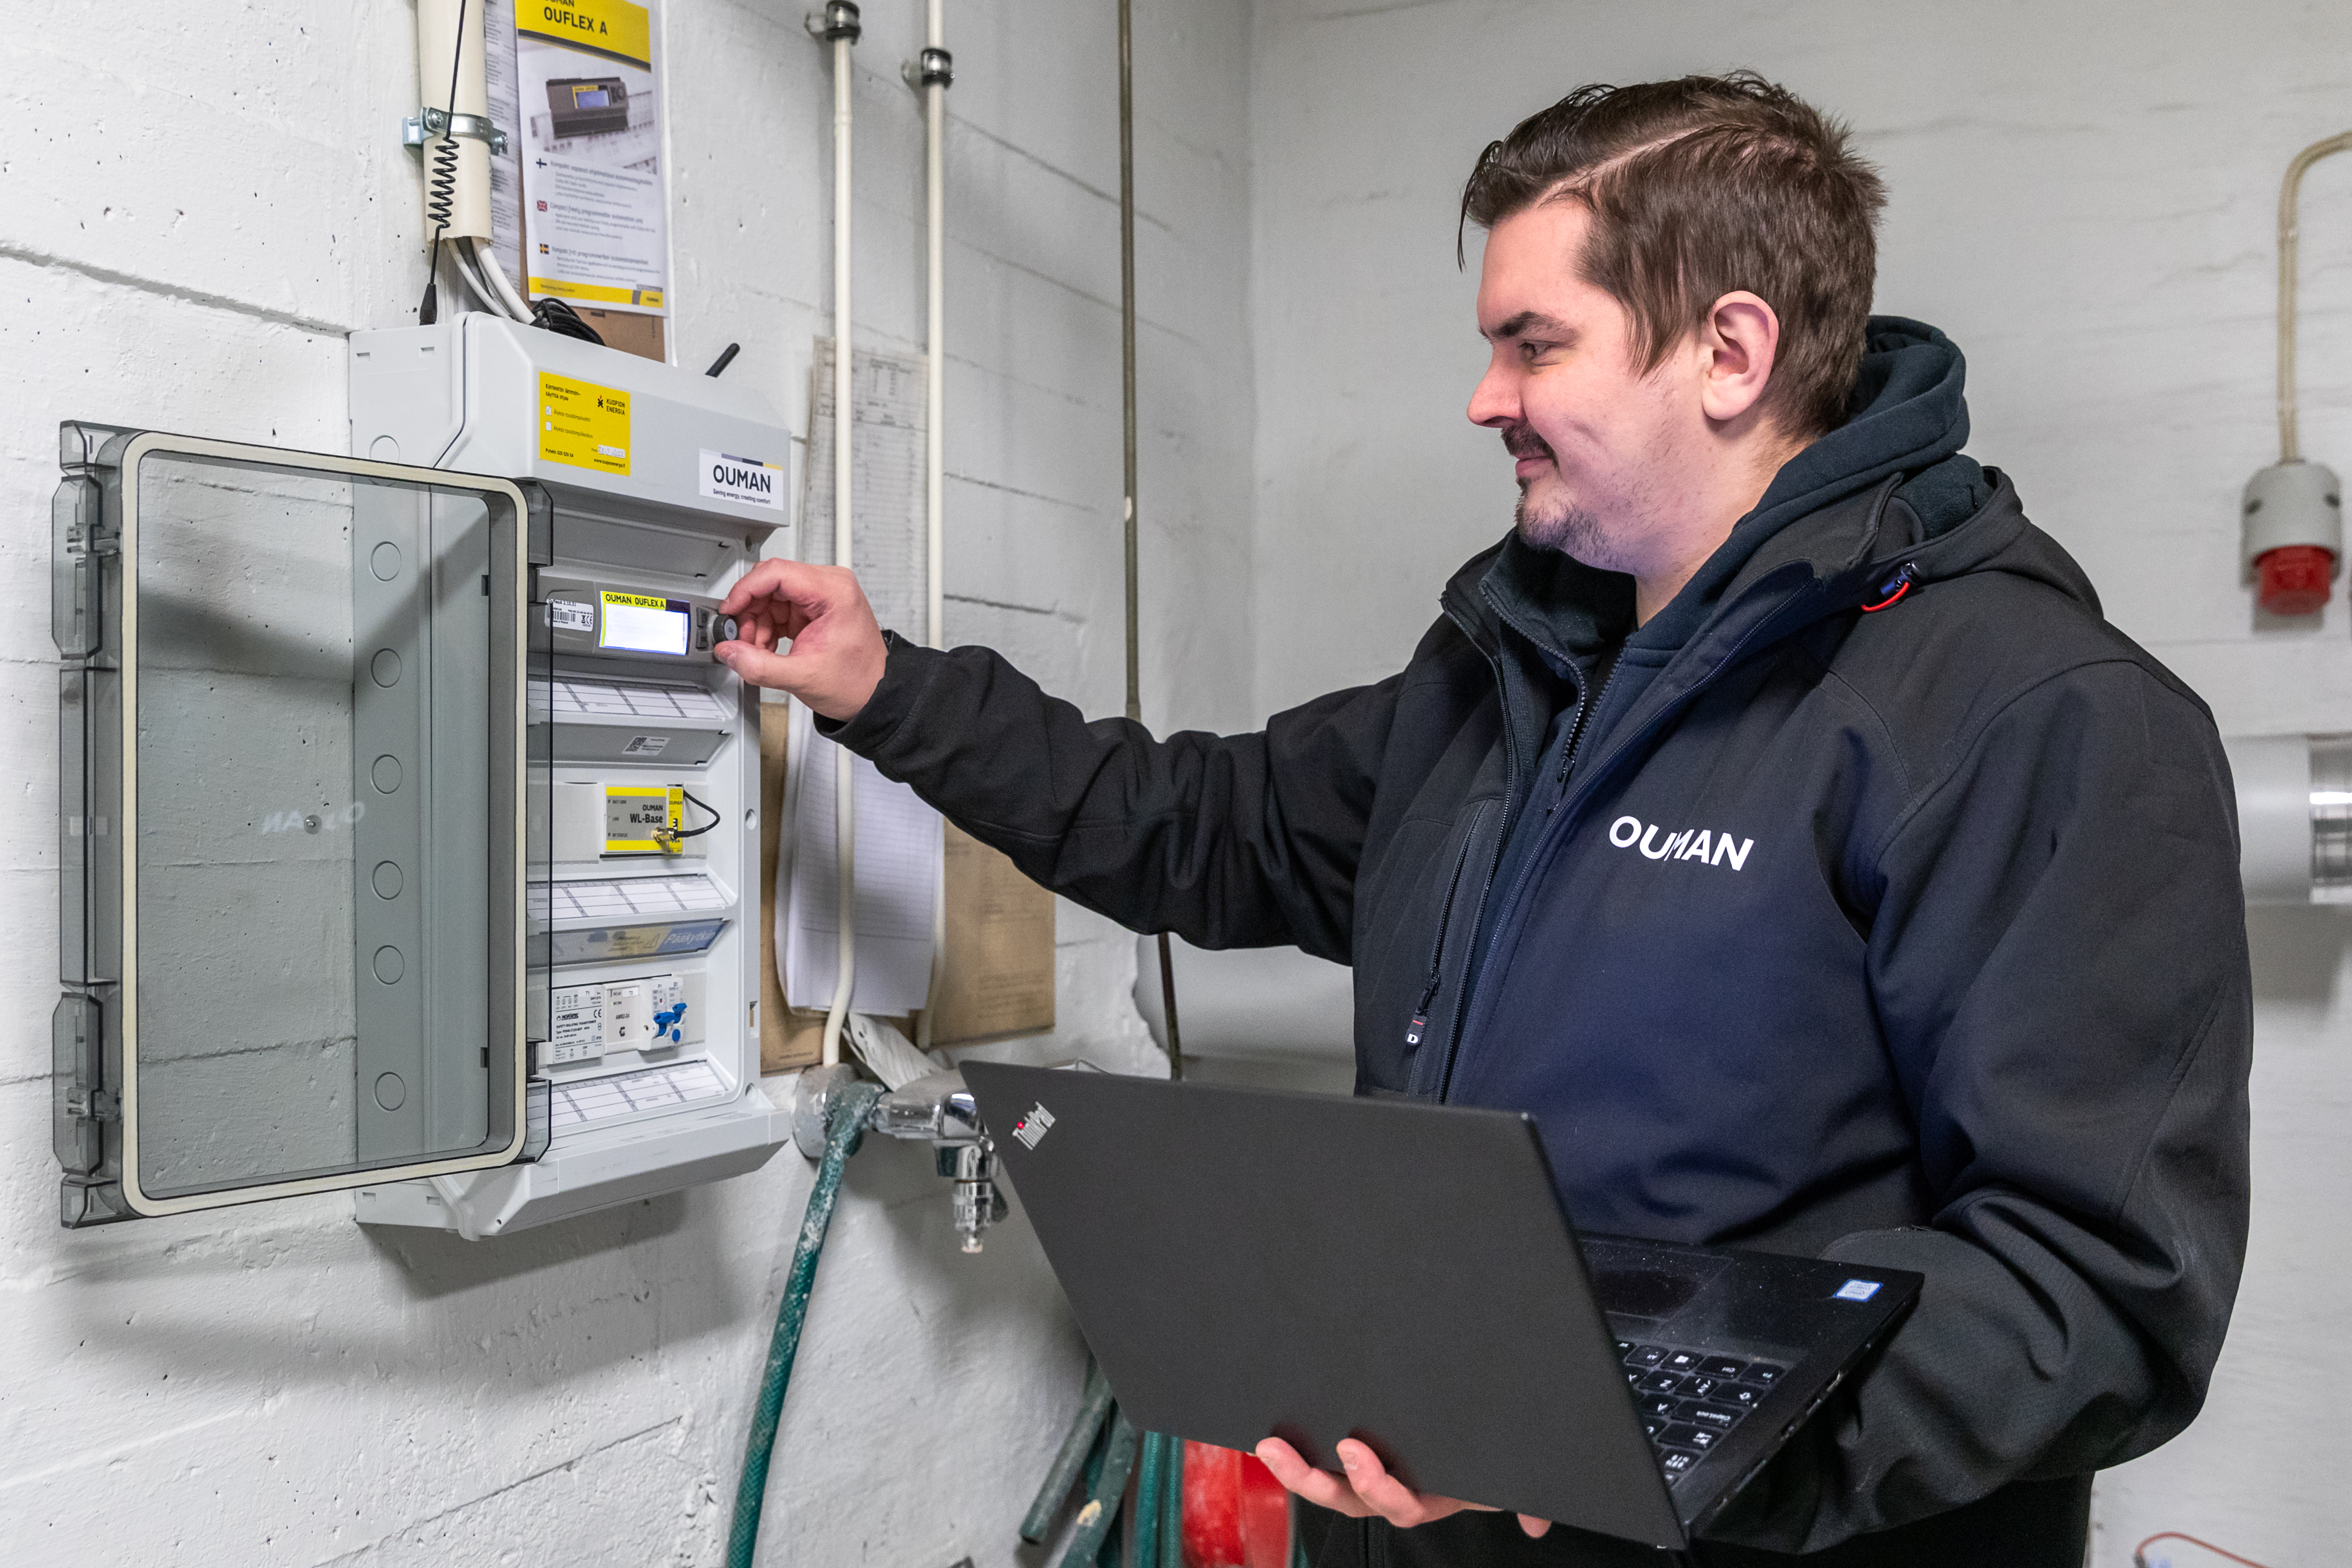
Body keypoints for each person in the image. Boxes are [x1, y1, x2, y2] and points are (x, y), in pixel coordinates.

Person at [714, 74, 2252, 1567]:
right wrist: (886, 687)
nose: (1485, 398)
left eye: (1535, 344)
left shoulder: (2034, 717)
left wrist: (1615, 1434)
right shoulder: (1511, 671)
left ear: (1729, 350)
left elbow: (2094, 1290)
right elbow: (1197, 820)